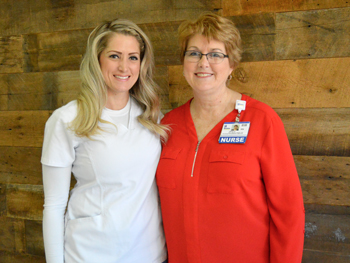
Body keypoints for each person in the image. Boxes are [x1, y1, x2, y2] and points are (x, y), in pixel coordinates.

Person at [156, 13, 305, 263]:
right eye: (194, 53)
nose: (204, 63)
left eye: (215, 54)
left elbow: (288, 212)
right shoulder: (168, 125)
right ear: (183, 63)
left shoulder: (262, 120)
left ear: (232, 65)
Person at [41, 18, 168, 263]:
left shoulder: (152, 118)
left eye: (133, 57)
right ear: (97, 60)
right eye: (114, 56)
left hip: (151, 255)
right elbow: (54, 207)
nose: (124, 67)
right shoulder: (67, 119)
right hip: (91, 254)